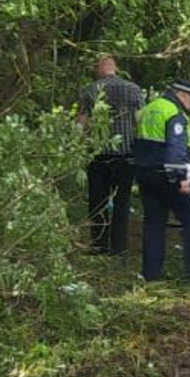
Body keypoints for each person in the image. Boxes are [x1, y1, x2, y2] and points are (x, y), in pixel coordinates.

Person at [131, 78, 190, 281]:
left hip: (145, 173)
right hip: (168, 176)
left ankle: (151, 273)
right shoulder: (174, 114)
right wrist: (183, 180)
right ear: (182, 95)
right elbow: (175, 153)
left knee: (153, 223)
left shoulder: (150, 108)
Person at [77, 55, 144, 255]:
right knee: (122, 201)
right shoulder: (133, 89)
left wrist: (76, 147)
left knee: (98, 200)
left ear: (99, 69)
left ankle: (99, 244)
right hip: (126, 154)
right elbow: (140, 122)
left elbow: (81, 123)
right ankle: (119, 246)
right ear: (115, 68)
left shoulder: (89, 91)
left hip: (99, 156)